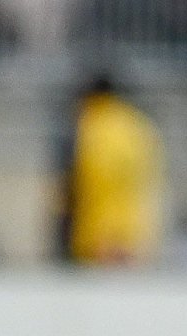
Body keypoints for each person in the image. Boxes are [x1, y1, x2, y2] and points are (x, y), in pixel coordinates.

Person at [57, 67, 166, 266]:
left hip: (96, 224)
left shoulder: (90, 125)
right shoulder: (137, 124)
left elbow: (84, 176)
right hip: (133, 221)